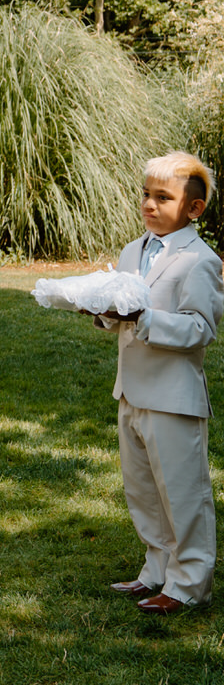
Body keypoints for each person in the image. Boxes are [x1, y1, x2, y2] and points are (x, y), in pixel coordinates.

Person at [96, 151, 223, 615]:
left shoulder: (200, 261)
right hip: (131, 389)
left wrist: (146, 320)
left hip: (173, 397)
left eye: (162, 197)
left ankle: (189, 583)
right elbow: (123, 309)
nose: (149, 205)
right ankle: (155, 569)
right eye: (146, 195)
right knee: (143, 490)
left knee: (182, 493)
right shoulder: (134, 249)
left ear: (193, 208)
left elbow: (200, 328)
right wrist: (105, 315)